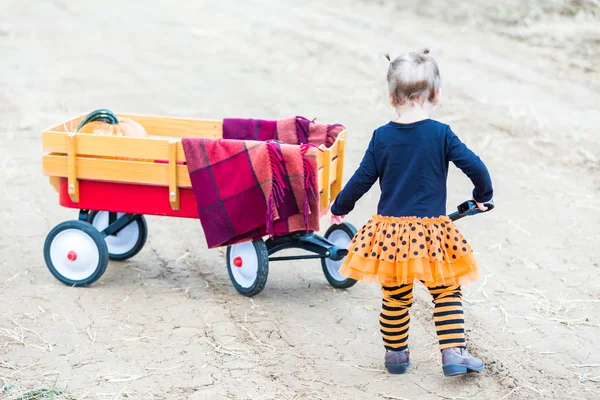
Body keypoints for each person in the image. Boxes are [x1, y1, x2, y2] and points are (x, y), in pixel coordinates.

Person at [329, 49, 493, 376]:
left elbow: (362, 178)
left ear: (391, 97)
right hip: (432, 232)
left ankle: (395, 357)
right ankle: (453, 354)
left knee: (395, 296)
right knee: (446, 290)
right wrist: (482, 195)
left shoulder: (381, 137)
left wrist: (340, 207)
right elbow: (474, 165)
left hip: (390, 234)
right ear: (436, 95)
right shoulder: (442, 134)